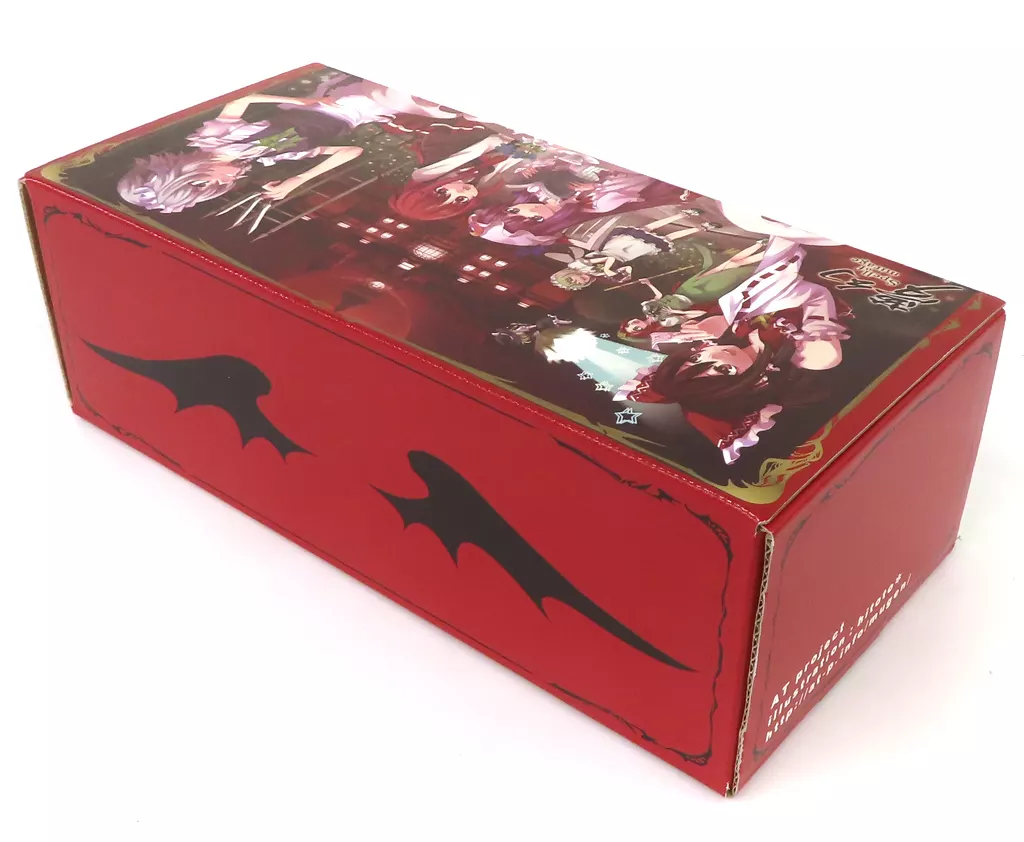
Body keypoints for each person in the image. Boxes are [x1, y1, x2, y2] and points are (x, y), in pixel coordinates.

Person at [117, 74, 471, 213]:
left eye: (212, 185)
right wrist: (296, 180)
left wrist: (302, 102)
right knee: (437, 108)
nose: (227, 183)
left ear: (190, 175)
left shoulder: (217, 139)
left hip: (338, 99)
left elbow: (243, 100)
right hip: (362, 115)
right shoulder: (266, 157)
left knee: (409, 98)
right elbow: (352, 151)